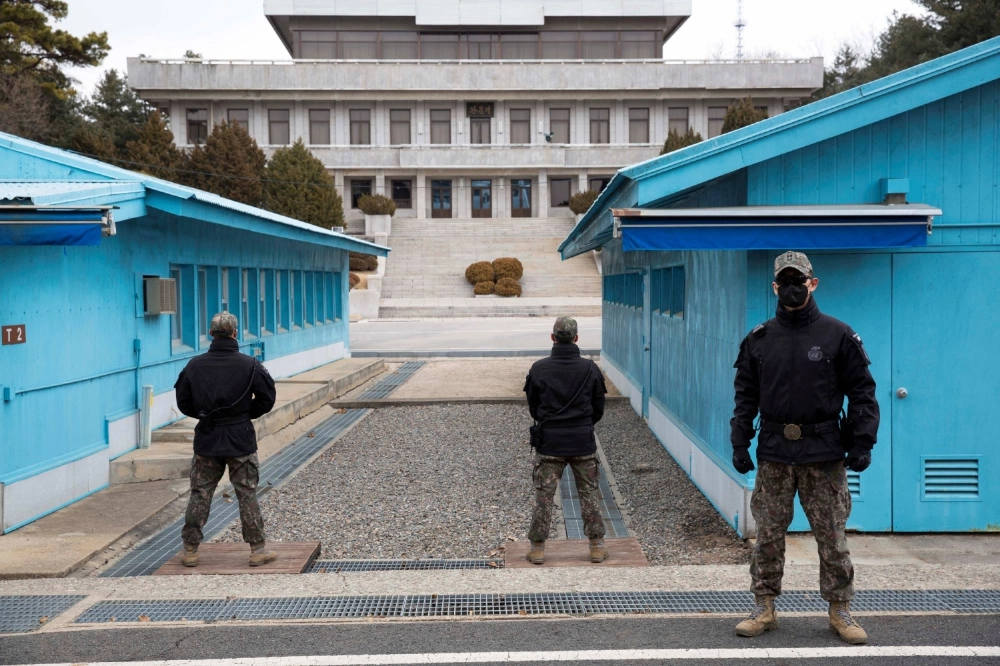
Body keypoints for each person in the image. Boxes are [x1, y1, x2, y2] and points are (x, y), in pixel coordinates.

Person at [730, 251, 880, 645]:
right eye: (786, 281)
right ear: (776, 287)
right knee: (767, 536)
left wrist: (863, 440)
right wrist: (739, 440)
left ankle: (840, 609)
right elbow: (745, 396)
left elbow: (862, 392)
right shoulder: (759, 339)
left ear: (814, 284)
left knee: (832, 536)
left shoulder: (837, 335)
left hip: (823, 454)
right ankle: (764, 607)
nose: (794, 287)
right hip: (775, 451)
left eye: (801, 280)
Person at [174, 311, 278, 568]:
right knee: (247, 493)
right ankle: (257, 550)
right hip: (240, 438)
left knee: (200, 493)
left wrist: (204, 416)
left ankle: (189, 550)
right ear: (235, 333)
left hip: (207, 439)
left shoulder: (194, 365)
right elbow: (267, 400)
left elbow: (183, 403)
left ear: (211, 334)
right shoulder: (251, 365)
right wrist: (243, 415)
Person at [523, 316, 609, 565]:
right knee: (590, 494)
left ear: (552, 337)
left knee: (544, 496)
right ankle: (596, 546)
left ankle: (538, 548)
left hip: (550, 443)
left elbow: (534, 407)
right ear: (576, 338)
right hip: (582, 441)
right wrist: (582, 423)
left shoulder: (538, 368)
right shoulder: (590, 369)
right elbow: (598, 408)